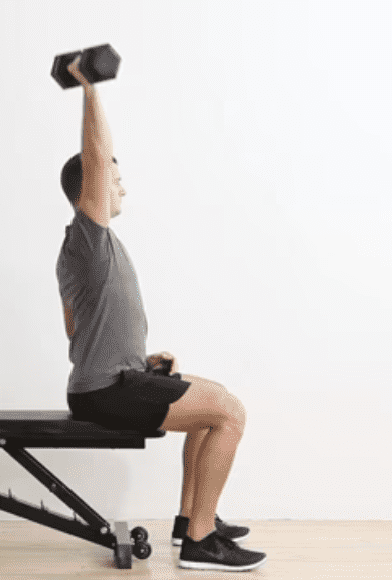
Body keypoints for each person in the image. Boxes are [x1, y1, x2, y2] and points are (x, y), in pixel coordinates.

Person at [55, 55, 267, 572]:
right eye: (114, 179)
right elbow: (97, 156)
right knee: (229, 413)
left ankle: (194, 520)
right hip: (105, 393)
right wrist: (88, 88)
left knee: (213, 402)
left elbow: (75, 331)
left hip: (110, 379)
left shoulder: (85, 251)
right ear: (93, 188)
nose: (122, 186)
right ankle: (201, 544)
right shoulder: (89, 237)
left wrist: (139, 359)